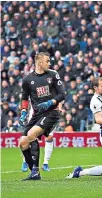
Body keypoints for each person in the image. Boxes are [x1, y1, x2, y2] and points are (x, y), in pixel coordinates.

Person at [19, 52, 66, 180]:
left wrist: (51, 102)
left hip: (52, 112)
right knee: (22, 143)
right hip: (36, 114)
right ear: (39, 63)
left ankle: (36, 170)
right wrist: (23, 112)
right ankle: (34, 172)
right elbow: (24, 97)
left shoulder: (53, 74)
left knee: (31, 135)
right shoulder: (27, 79)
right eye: (47, 61)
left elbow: (63, 94)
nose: (49, 63)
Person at [21, 102, 63, 172]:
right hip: (36, 112)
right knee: (30, 135)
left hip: (51, 112)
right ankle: (25, 161)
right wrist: (24, 111)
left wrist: (59, 108)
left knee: (49, 137)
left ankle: (45, 163)